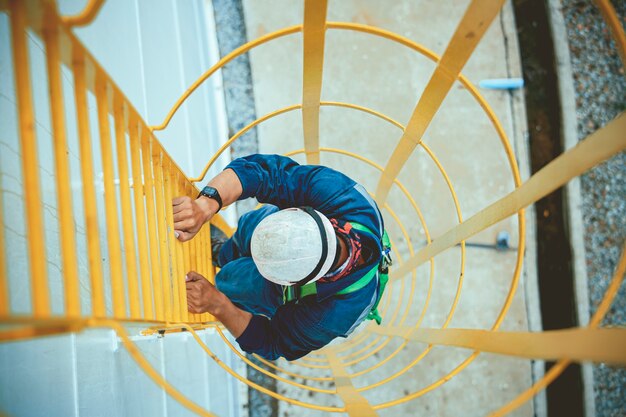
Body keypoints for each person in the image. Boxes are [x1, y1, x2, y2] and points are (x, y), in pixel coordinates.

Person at [172, 154, 390, 361]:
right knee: (249, 228)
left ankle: (223, 286)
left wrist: (218, 304)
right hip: (270, 227)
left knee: (240, 284)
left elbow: (273, 342)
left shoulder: (333, 315)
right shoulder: (341, 196)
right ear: (303, 213)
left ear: (297, 281)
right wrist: (207, 203)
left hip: (281, 290)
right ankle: (223, 253)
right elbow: (265, 173)